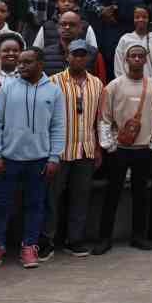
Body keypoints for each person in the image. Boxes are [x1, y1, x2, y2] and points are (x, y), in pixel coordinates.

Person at [0, 47, 65, 272]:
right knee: (0, 205)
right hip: (7, 159)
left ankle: (29, 246)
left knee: (35, 205)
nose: (21, 66)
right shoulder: (7, 89)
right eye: (20, 62)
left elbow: (58, 127)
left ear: (41, 64)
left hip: (39, 160)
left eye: (27, 62)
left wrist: (54, 157)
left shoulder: (54, 92)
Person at [97, 43, 152, 252]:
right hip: (119, 149)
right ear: (126, 59)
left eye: (140, 56)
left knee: (141, 195)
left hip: (144, 149)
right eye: (132, 56)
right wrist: (109, 146)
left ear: (146, 60)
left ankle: (138, 236)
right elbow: (104, 119)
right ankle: (104, 238)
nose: (136, 59)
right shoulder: (113, 87)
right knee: (112, 194)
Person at [47, 38, 103, 257]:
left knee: (81, 196)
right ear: (66, 56)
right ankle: (48, 239)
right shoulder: (53, 82)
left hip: (86, 148)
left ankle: (75, 239)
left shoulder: (97, 83)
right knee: (52, 196)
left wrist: (98, 147)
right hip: (60, 149)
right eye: (75, 54)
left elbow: (100, 118)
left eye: (83, 54)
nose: (79, 58)